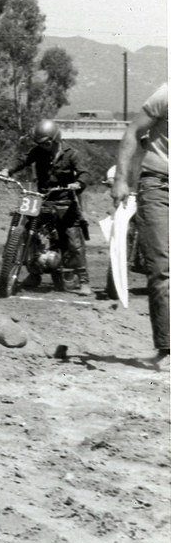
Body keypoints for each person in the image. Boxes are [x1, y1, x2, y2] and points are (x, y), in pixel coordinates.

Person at [0, 118, 92, 296]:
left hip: (64, 202)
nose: (43, 146)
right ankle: (34, 273)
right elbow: (23, 159)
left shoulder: (72, 154)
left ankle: (84, 279)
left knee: (74, 241)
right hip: (42, 199)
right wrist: (8, 170)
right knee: (30, 233)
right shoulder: (38, 152)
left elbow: (84, 173)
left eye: (46, 142)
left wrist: (78, 183)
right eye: (40, 143)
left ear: (55, 139)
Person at [111, 83, 168, 360]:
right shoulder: (166, 93)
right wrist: (121, 179)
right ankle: (167, 348)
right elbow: (133, 131)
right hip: (159, 186)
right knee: (161, 267)